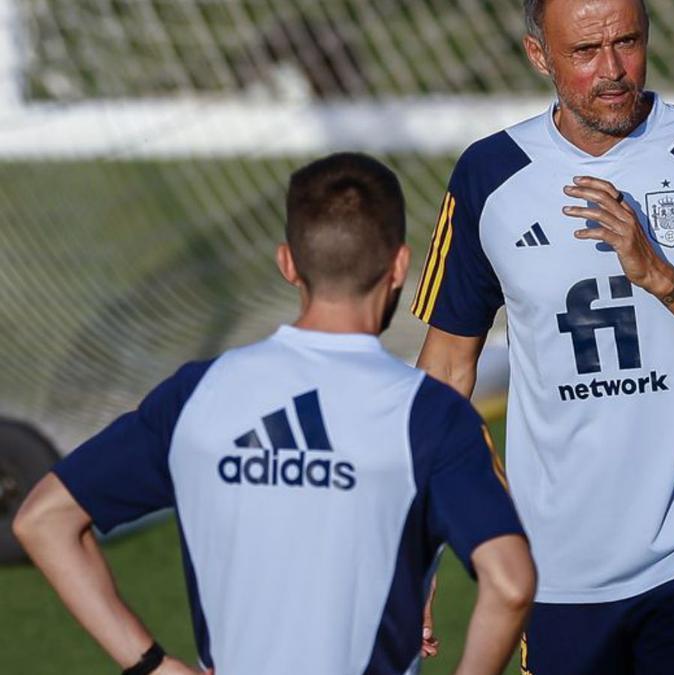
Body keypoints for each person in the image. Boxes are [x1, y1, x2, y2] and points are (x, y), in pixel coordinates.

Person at [14, 153, 535, 675]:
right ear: (399, 264)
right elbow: (510, 585)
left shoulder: (197, 395)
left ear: (287, 262)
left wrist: (153, 665)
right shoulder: (430, 414)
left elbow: (44, 520)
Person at [410, 0, 674, 672]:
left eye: (627, 42)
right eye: (585, 52)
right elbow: (441, 379)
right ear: (539, 56)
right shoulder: (488, 176)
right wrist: (418, 554)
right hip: (556, 571)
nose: (613, 69)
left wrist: (661, 276)